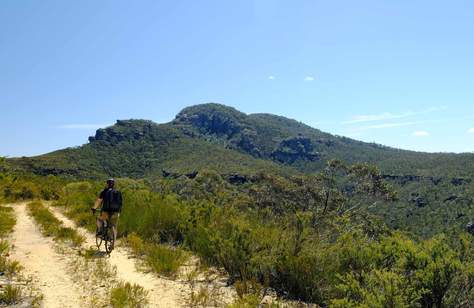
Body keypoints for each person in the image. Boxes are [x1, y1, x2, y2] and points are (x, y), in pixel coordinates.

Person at [91, 178, 123, 248]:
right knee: (114, 226)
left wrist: (94, 208)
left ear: (107, 184)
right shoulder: (117, 192)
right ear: (114, 184)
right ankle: (112, 243)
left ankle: (100, 231)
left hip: (106, 212)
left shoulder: (104, 192)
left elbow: (99, 201)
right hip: (116, 212)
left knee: (99, 219)